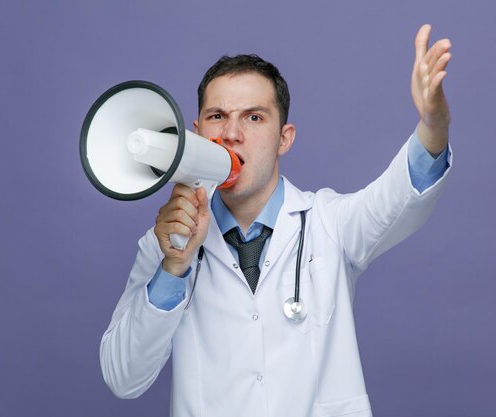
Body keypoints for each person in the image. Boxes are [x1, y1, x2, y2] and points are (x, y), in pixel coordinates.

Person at [100, 24, 452, 417]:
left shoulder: (327, 223)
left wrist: (433, 126)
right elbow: (123, 377)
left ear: (285, 137)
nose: (231, 134)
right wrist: (174, 267)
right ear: (196, 133)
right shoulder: (164, 243)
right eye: (217, 116)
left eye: (253, 118)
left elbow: (399, 197)